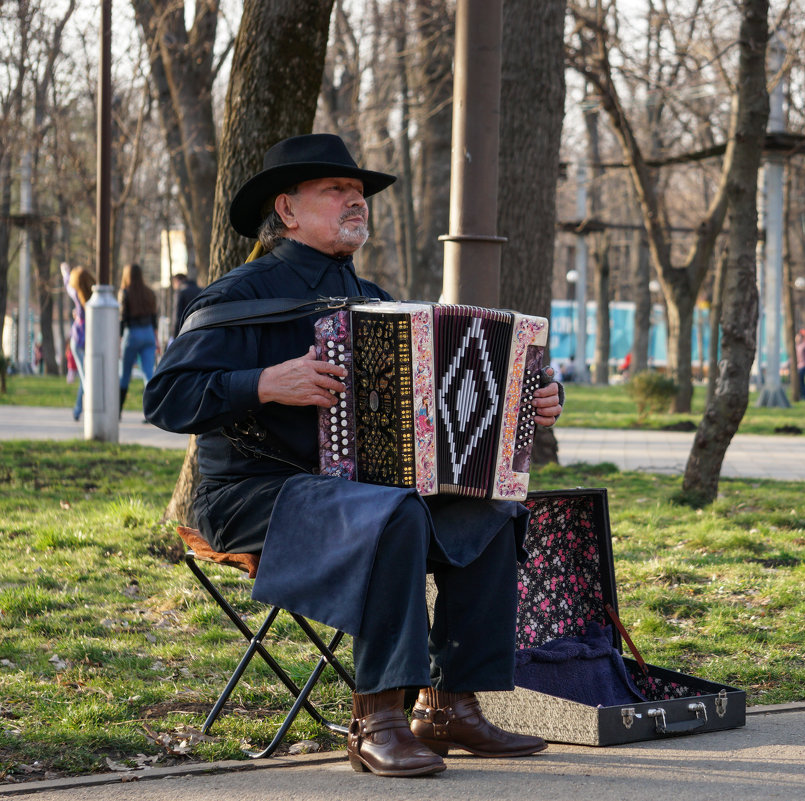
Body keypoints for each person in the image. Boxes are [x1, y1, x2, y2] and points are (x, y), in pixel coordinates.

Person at [144, 134, 564, 779]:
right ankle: (378, 719)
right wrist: (261, 383)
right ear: (286, 210)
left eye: (359, 193)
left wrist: (525, 399)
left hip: (358, 492)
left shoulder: (374, 299)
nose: (355, 201)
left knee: (491, 504)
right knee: (389, 514)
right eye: (336, 190)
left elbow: (443, 395)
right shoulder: (237, 296)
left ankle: (448, 703)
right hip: (250, 494)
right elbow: (165, 399)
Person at [118, 262, 159, 417]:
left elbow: (122, 318)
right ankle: (151, 412)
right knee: (148, 374)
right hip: (148, 333)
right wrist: (155, 338)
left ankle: (118, 411)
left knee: (125, 374)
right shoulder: (149, 293)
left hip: (132, 333)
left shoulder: (125, 293)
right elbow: (154, 317)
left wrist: (119, 339)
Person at [64, 265, 96, 422]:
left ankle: (81, 409)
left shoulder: (77, 295)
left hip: (77, 341)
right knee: (86, 377)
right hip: (90, 339)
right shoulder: (93, 296)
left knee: (85, 378)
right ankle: (79, 409)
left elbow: (68, 286)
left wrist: (65, 273)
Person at [170, 272, 202, 343]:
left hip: (186, 332)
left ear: (177, 281)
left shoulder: (180, 292)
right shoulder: (201, 290)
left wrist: (175, 336)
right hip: (201, 331)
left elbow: (177, 317)